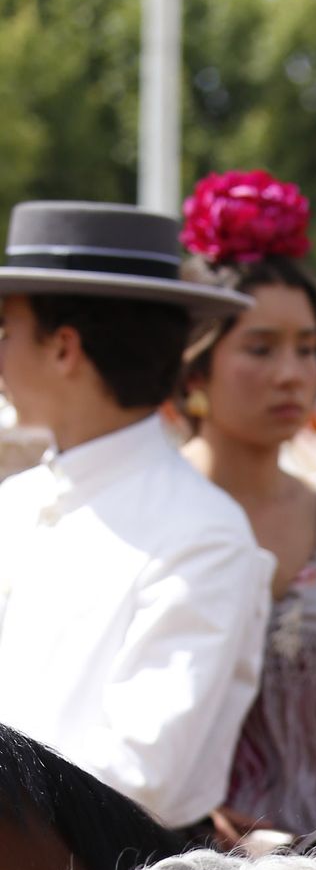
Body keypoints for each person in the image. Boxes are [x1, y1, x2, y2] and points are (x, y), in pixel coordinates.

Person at [0, 201, 272, 827]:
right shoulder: (16, 501)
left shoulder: (203, 532)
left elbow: (140, 776)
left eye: (6, 331)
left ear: (65, 348)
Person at [178, 170, 316, 838]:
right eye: (259, 349)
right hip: (178, 859)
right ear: (196, 366)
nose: (291, 373)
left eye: (307, 349)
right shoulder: (158, 512)